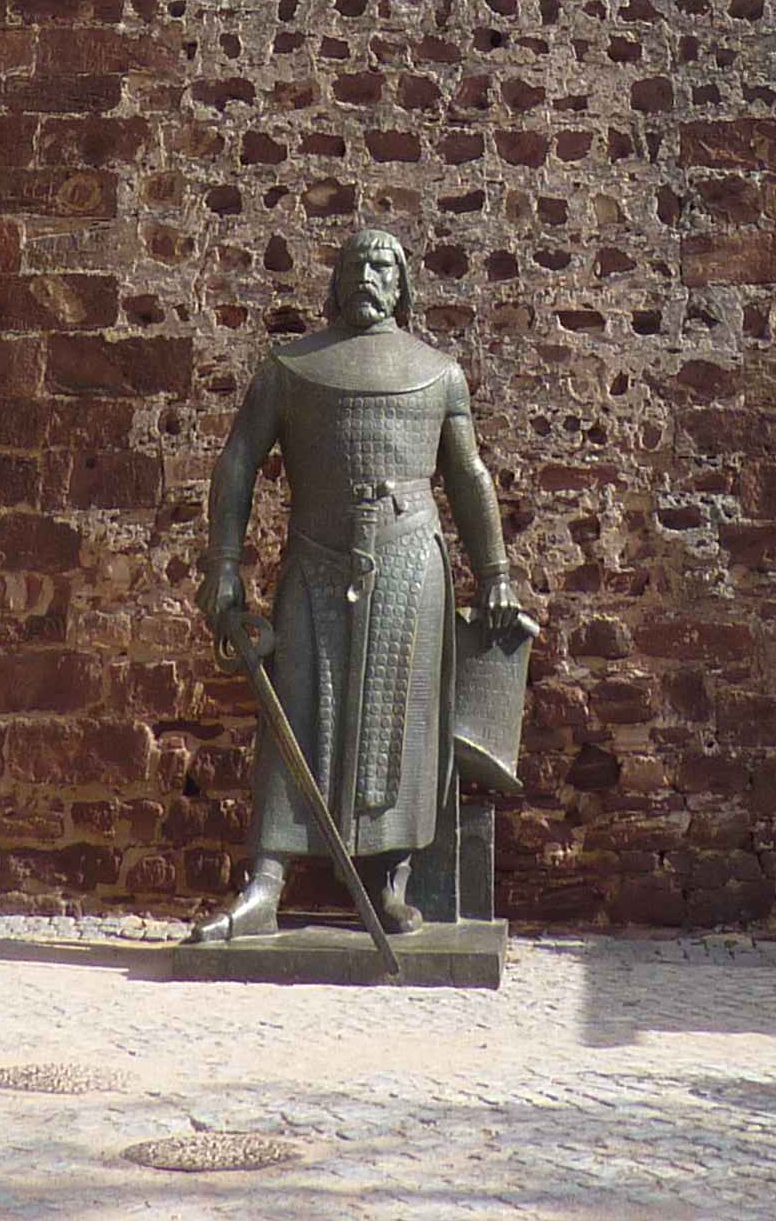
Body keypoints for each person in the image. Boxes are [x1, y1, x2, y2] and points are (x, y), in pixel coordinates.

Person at [194, 225, 528, 942]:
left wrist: (496, 572)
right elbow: (238, 460)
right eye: (356, 264)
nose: (369, 275)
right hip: (317, 557)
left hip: (411, 563)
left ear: (403, 283)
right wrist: (223, 563)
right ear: (336, 280)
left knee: (404, 724)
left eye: (384, 265)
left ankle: (392, 881)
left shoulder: (439, 374)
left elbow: (468, 476)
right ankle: (267, 882)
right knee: (298, 710)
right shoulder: (289, 367)